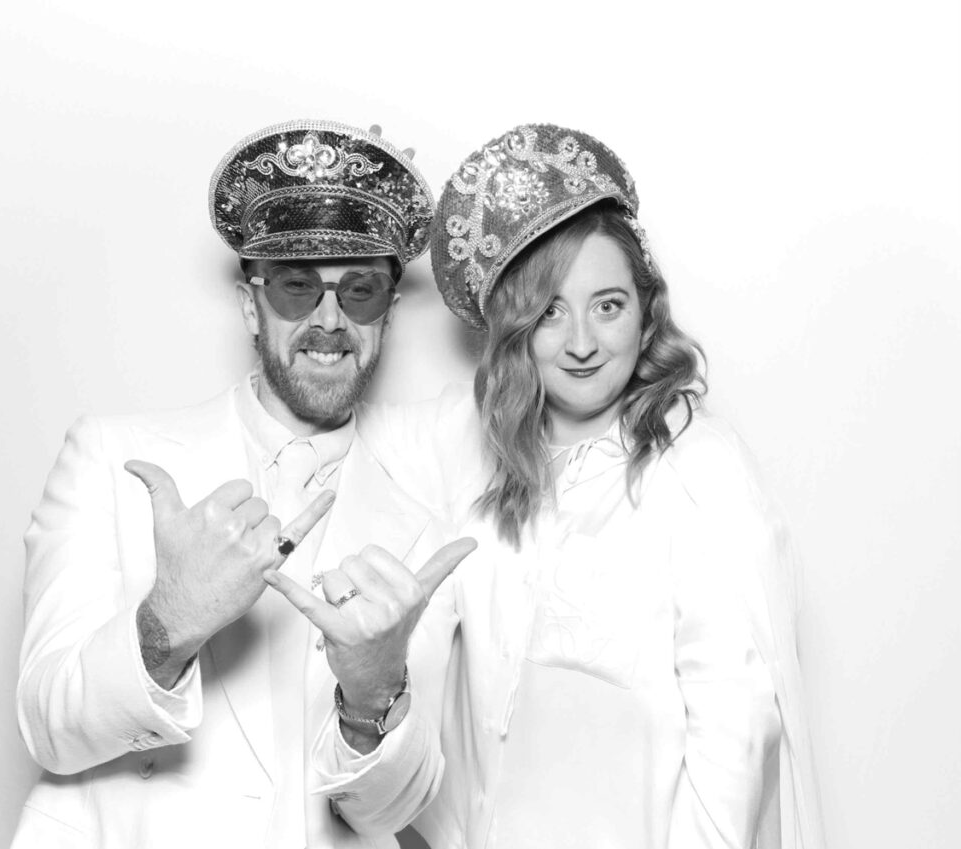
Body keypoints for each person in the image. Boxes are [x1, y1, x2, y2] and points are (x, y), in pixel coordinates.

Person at [347, 124, 825, 848]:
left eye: (607, 305)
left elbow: (736, 725)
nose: (580, 342)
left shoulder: (696, 471)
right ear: (513, 327)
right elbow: (337, 430)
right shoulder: (473, 442)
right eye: (549, 311)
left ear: (645, 309)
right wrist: (362, 237)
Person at [12, 120, 472, 849]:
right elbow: (46, 724)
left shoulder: (423, 527)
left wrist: (375, 695)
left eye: (359, 289)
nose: (329, 320)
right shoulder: (112, 459)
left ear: (386, 310)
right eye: (297, 288)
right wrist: (166, 625)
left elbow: (390, 813)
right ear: (248, 302)